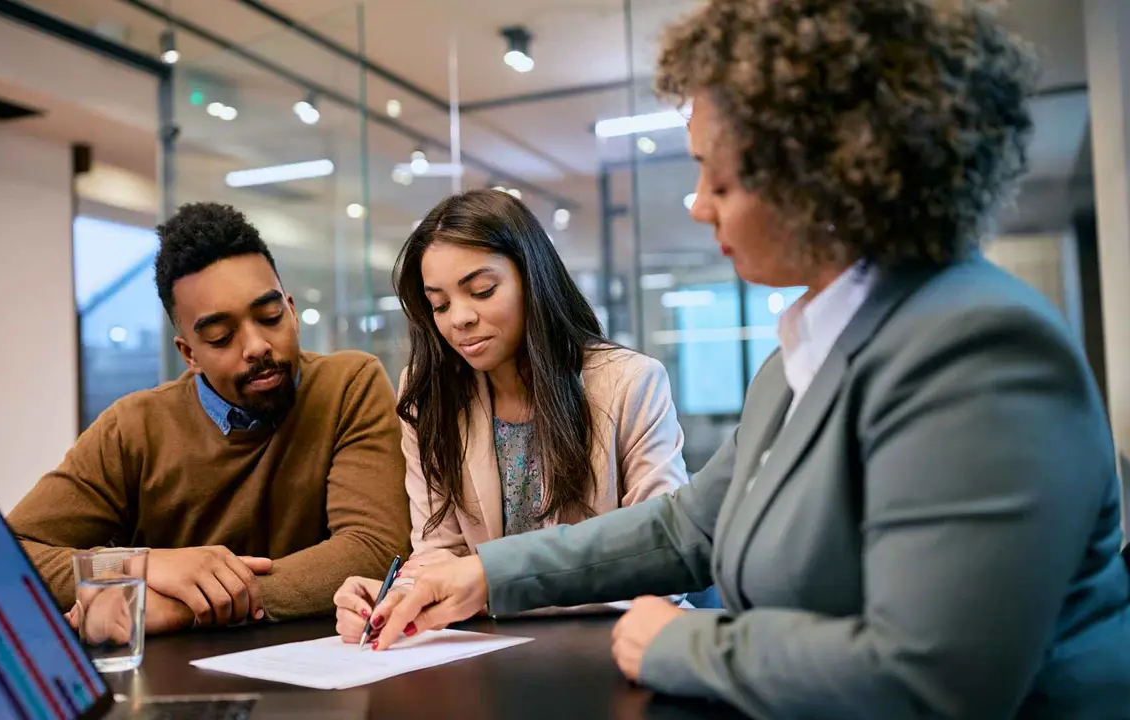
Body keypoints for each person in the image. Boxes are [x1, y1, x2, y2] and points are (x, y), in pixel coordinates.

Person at [348, 1, 1130, 717]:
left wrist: (683, 643)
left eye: (716, 173)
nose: (696, 202)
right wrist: (485, 574)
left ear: (826, 172)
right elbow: (690, 526)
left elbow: (932, 677)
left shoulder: (978, 348)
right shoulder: (806, 351)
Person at [8, 202, 410, 636]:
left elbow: (373, 549)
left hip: (327, 680)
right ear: (189, 354)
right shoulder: (133, 428)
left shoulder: (349, 385)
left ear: (292, 312)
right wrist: (140, 566)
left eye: (270, 317)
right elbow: (4, 557)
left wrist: (183, 608)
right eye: (221, 336)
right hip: (176, 688)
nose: (256, 345)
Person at [334, 189, 689, 641]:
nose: (458, 318)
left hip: (609, 648)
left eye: (482, 291)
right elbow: (439, 551)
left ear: (531, 278)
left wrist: (492, 587)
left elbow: (662, 560)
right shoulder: (428, 394)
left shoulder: (631, 383)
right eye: (438, 305)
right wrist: (399, 595)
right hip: (482, 654)